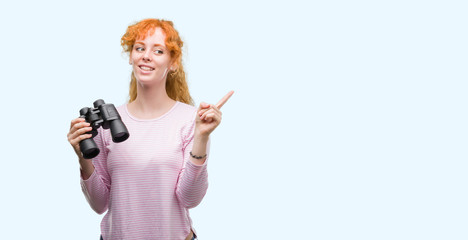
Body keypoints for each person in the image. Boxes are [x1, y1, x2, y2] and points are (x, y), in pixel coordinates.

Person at [67, 18, 233, 240]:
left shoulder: (190, 120)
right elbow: (99, 204)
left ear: (173, 63)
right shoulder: (109, 124)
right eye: (139, 48)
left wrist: (201, 137)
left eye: (158, 51)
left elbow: (190, 199)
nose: (146, 56)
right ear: (131, 56)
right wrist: (82, 158)